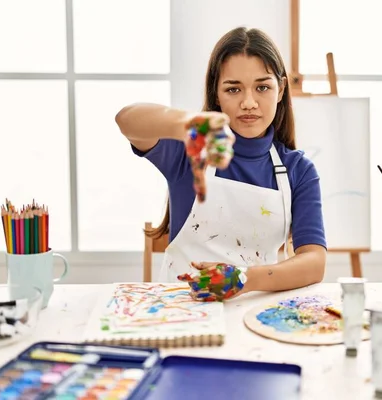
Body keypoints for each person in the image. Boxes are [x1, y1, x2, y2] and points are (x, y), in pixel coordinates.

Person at [115, 27, 326, 301]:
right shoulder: (190, 151)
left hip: (256, 313)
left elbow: (314, 262)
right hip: (181, 311)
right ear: (216, 93)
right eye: (233, 89)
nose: (249, 103)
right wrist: (186, 124)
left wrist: (244, 278)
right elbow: (126, 120)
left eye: (262, 87)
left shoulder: (299, 170)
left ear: (280, 89)